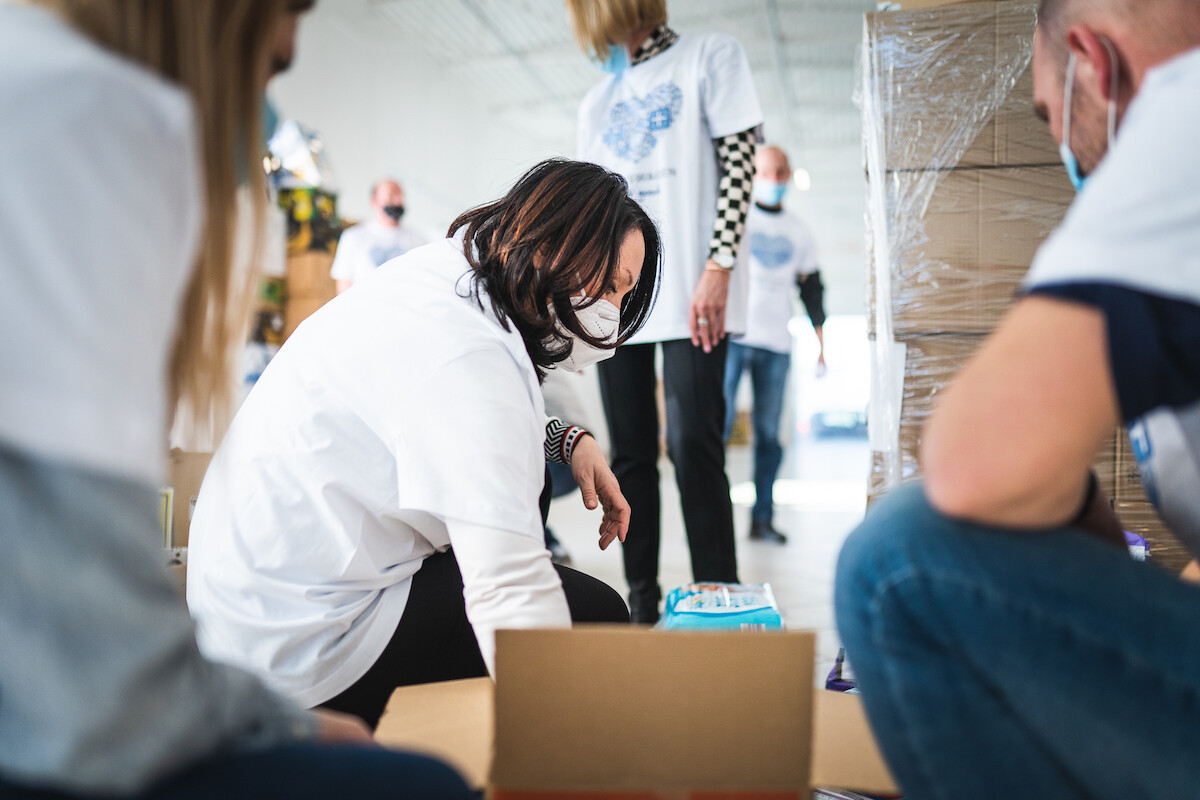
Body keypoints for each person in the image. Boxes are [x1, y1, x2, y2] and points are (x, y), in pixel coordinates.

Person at [0, 1, 474, 798]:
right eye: (278, 42)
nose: (288, 46)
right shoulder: (96, 121)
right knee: (424, 787)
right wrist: (270, 720)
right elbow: (86, 671)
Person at [835, 0, 1200, 797]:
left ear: (1094, 66)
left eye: (1050, 116)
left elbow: (973, 463)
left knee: (898, 558)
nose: (1063, 145)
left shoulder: (1181, 118)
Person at [186, 159, 661, 729]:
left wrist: (564, 438)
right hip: (300, 647)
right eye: (610, 285)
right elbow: (509, 591)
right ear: (560, 244)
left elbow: (453, 417)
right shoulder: (474, 356)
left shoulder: (446, 276)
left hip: (245, 607)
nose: (611, 311)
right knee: (597, 616)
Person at [568, 0, 764, 623]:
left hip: (693, 294)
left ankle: (721, 600)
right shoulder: (596, 103)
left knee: (693, 447)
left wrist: (718, 267)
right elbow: (593, 211)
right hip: (616, 300)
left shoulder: (709, 56)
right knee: (627, 454)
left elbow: (740, 165)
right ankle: (643, 603)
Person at [722, 145, 825, 545]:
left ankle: (761, 519)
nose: (776, 180)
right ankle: (713, 517)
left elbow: (813, 292)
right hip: (732, 338)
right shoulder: (736, 220)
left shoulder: (800, 232)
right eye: (768, 172)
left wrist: (822, 343)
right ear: (753, 175)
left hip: (777, 346)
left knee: (769, 435)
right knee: (720, 427)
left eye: (782, 172)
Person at [330, 178, 426, 294]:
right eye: (391, 195)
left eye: (400, 195)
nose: (398, 201)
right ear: (375, 200)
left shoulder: (418, 240)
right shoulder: (353, 238)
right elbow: (343, 288)